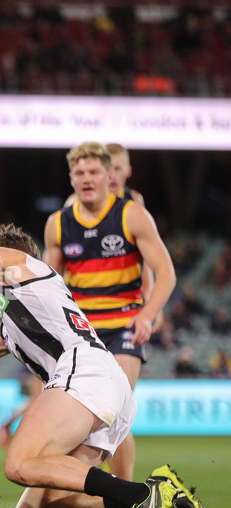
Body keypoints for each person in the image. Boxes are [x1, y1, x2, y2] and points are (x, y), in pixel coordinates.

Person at [0, 224, 204, 508]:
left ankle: (137, 495)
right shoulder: (8, 321)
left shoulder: (23, 265)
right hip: (97, 388)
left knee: (18, 464)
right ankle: (150, 494)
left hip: (85, 372)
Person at [44, 142, 176, 484]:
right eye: (80, 173)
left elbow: (166, 272)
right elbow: (48, 284)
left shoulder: (132, 214)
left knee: (113, 411)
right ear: (71, 178)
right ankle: (101, 490)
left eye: (94, 172)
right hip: (82, 333)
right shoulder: (58, 224)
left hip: (124, 327)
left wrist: (147, 313)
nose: (87, 179)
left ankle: (124, 498)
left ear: (109, 175)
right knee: (83, 416)